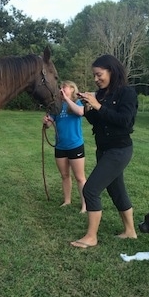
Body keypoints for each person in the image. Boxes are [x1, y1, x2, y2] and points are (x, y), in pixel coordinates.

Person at [70, 54, 138, 249]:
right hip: (104, 150)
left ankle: (91, 237)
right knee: (116, 190)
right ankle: (130, 231)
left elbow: (125, 121)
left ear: (111, 71)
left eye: (99, 74)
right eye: (94, 76)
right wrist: (88, 107)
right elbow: (97, 121)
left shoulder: (127, 93)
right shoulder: (100, 95)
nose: (96, 79)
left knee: (91, 189)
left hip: (120, 149)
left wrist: (98, 106)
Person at [43, 80, 87, 213]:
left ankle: (85, 204)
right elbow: (50, 123)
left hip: (75, 145)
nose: (61, 89)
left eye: (64, 87)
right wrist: (46, 122)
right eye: (60, 87)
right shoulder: (57, 106)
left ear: (72, 89)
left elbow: (80, 112)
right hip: (60, 146)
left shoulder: (77, 103)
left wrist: (67, 99)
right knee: (64, 175)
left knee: (80, 177)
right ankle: (67, 200)